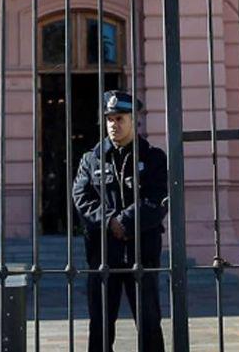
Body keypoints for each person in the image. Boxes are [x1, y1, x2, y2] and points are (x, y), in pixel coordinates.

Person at [72, 90, 168, 352]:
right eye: (110, 119)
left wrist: (125, 222)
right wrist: (109, 220)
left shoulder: (153, 157)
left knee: (149, 323)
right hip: (104, 253)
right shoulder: (91, 159)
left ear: (133, 120)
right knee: (101, 326)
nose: (114, 124)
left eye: (120, 119)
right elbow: (81, 198)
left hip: (142, 252)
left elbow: (158, 199)